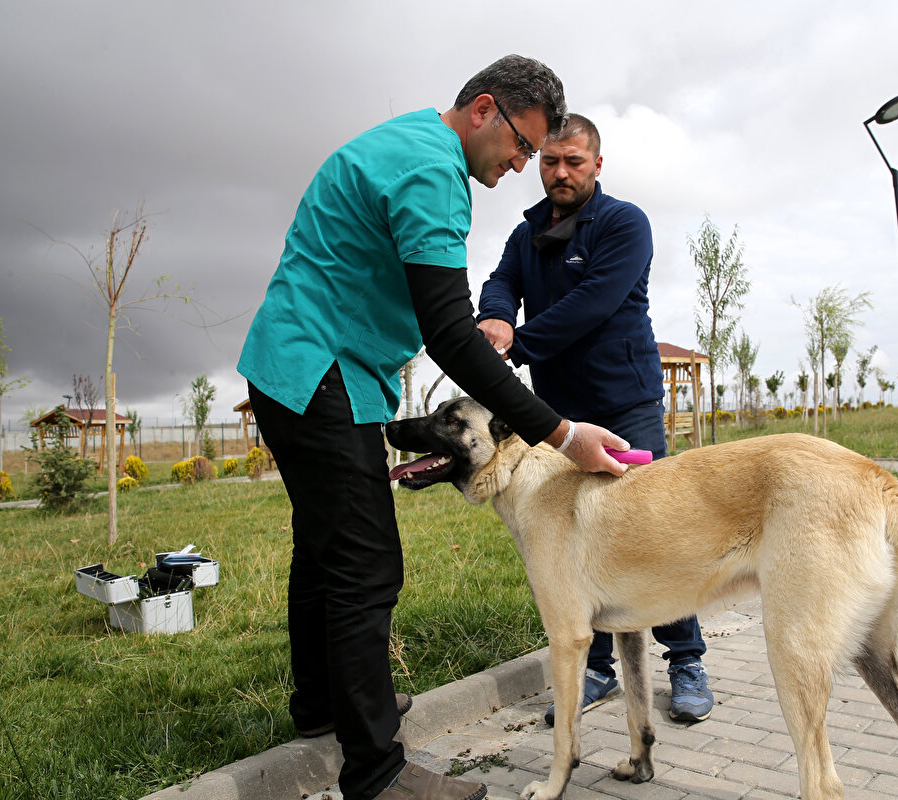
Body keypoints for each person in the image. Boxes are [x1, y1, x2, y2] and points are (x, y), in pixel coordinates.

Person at [237, 57, 632, 800]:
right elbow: (450, 335)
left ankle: (326, 708)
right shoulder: (432, 172)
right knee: (366, 565)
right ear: (484, 110)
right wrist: (560, 434)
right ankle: (378, 775)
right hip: (319, 370)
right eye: (522, 145)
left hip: (301, 366)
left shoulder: (410, 142)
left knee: (325, 553)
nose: (522, 165)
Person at [476, 114, 715, 726]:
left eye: (573, 162)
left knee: (658, 532)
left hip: (625, 404)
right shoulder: (527, 232)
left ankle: (685, 659)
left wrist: (519, 343)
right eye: (550, 161)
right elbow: (500, 282)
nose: (560, 172)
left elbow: (594, 304)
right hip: (560, 415)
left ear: (596, 165)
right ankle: (598, 669)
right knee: (580, 540)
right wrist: (497, 316)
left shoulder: (623, 223)